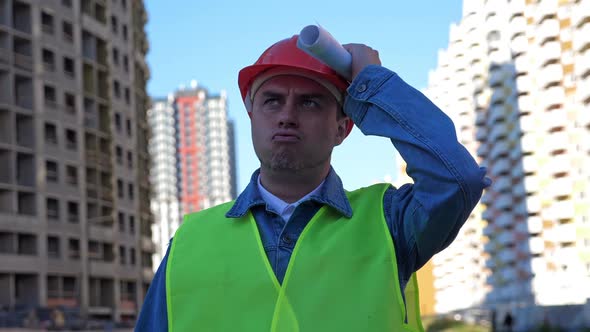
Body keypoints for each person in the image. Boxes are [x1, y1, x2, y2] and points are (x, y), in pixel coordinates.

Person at [136, 35, 490, 331]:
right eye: (272, 101)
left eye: (309, 102)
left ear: (342, 127)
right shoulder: (189, 242)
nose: (287, 116)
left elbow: (457, 179)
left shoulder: (390, 223)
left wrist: (373, 82)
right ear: (252, 117)